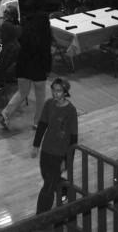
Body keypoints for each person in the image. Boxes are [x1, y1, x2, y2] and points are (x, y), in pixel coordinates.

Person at [32, 78, 78, 214]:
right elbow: (42, 126)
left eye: (58, 91)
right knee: (48, 178)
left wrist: (67, 160)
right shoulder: (48, 105)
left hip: (59, 154)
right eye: (53, 90)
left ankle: (40, 218)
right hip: (46, 150)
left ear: (65, 92)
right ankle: (66, 189)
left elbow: (74, 138)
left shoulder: (71, 111)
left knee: (48, 187)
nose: (55, 94)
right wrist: (36, 146)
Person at [0, 12, 52, 130]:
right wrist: (48, 68)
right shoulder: (45, 35)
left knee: (22, 92)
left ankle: (6, 113)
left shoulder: (23, 31)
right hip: (38, 68)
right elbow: (46, 53)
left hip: (23, 66)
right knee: (40, 97)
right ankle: (37, 122)